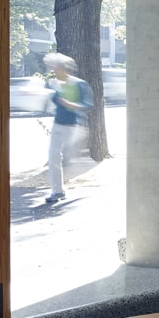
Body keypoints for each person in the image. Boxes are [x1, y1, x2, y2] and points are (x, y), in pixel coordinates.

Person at [42, 53, 92, 204]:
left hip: (74, 126)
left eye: (55, 68)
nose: (53, 70)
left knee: (72, 159)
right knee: (53, 157)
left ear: (63, 69)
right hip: (58, 125)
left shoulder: (79, 84)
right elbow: (48, 99)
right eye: (52, 68)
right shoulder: (53, 84)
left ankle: (85, 162)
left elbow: (87, 105)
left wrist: (71, 105)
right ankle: (57, 191)